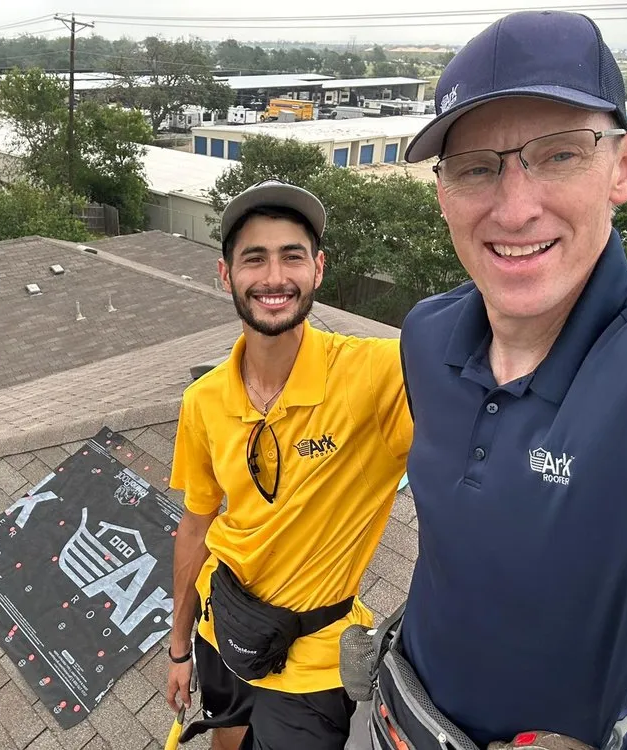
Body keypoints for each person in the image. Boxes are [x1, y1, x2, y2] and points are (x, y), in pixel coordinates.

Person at [365, 9, 627, 750]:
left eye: (559, 154)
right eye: (477, 166)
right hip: (396, 711)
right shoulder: (427, 334)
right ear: (442, 193)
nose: (514, 207)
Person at [166, 179, 413, 750]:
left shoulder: (379, 374)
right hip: (221, 624)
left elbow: (501, 349)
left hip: (314, 661)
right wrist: (179, 647)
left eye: (292, 256)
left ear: (318, 269)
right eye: (254, 258)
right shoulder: (202, 399)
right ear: (226, 276)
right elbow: (197, 526)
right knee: (224, 740)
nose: (274, 277)